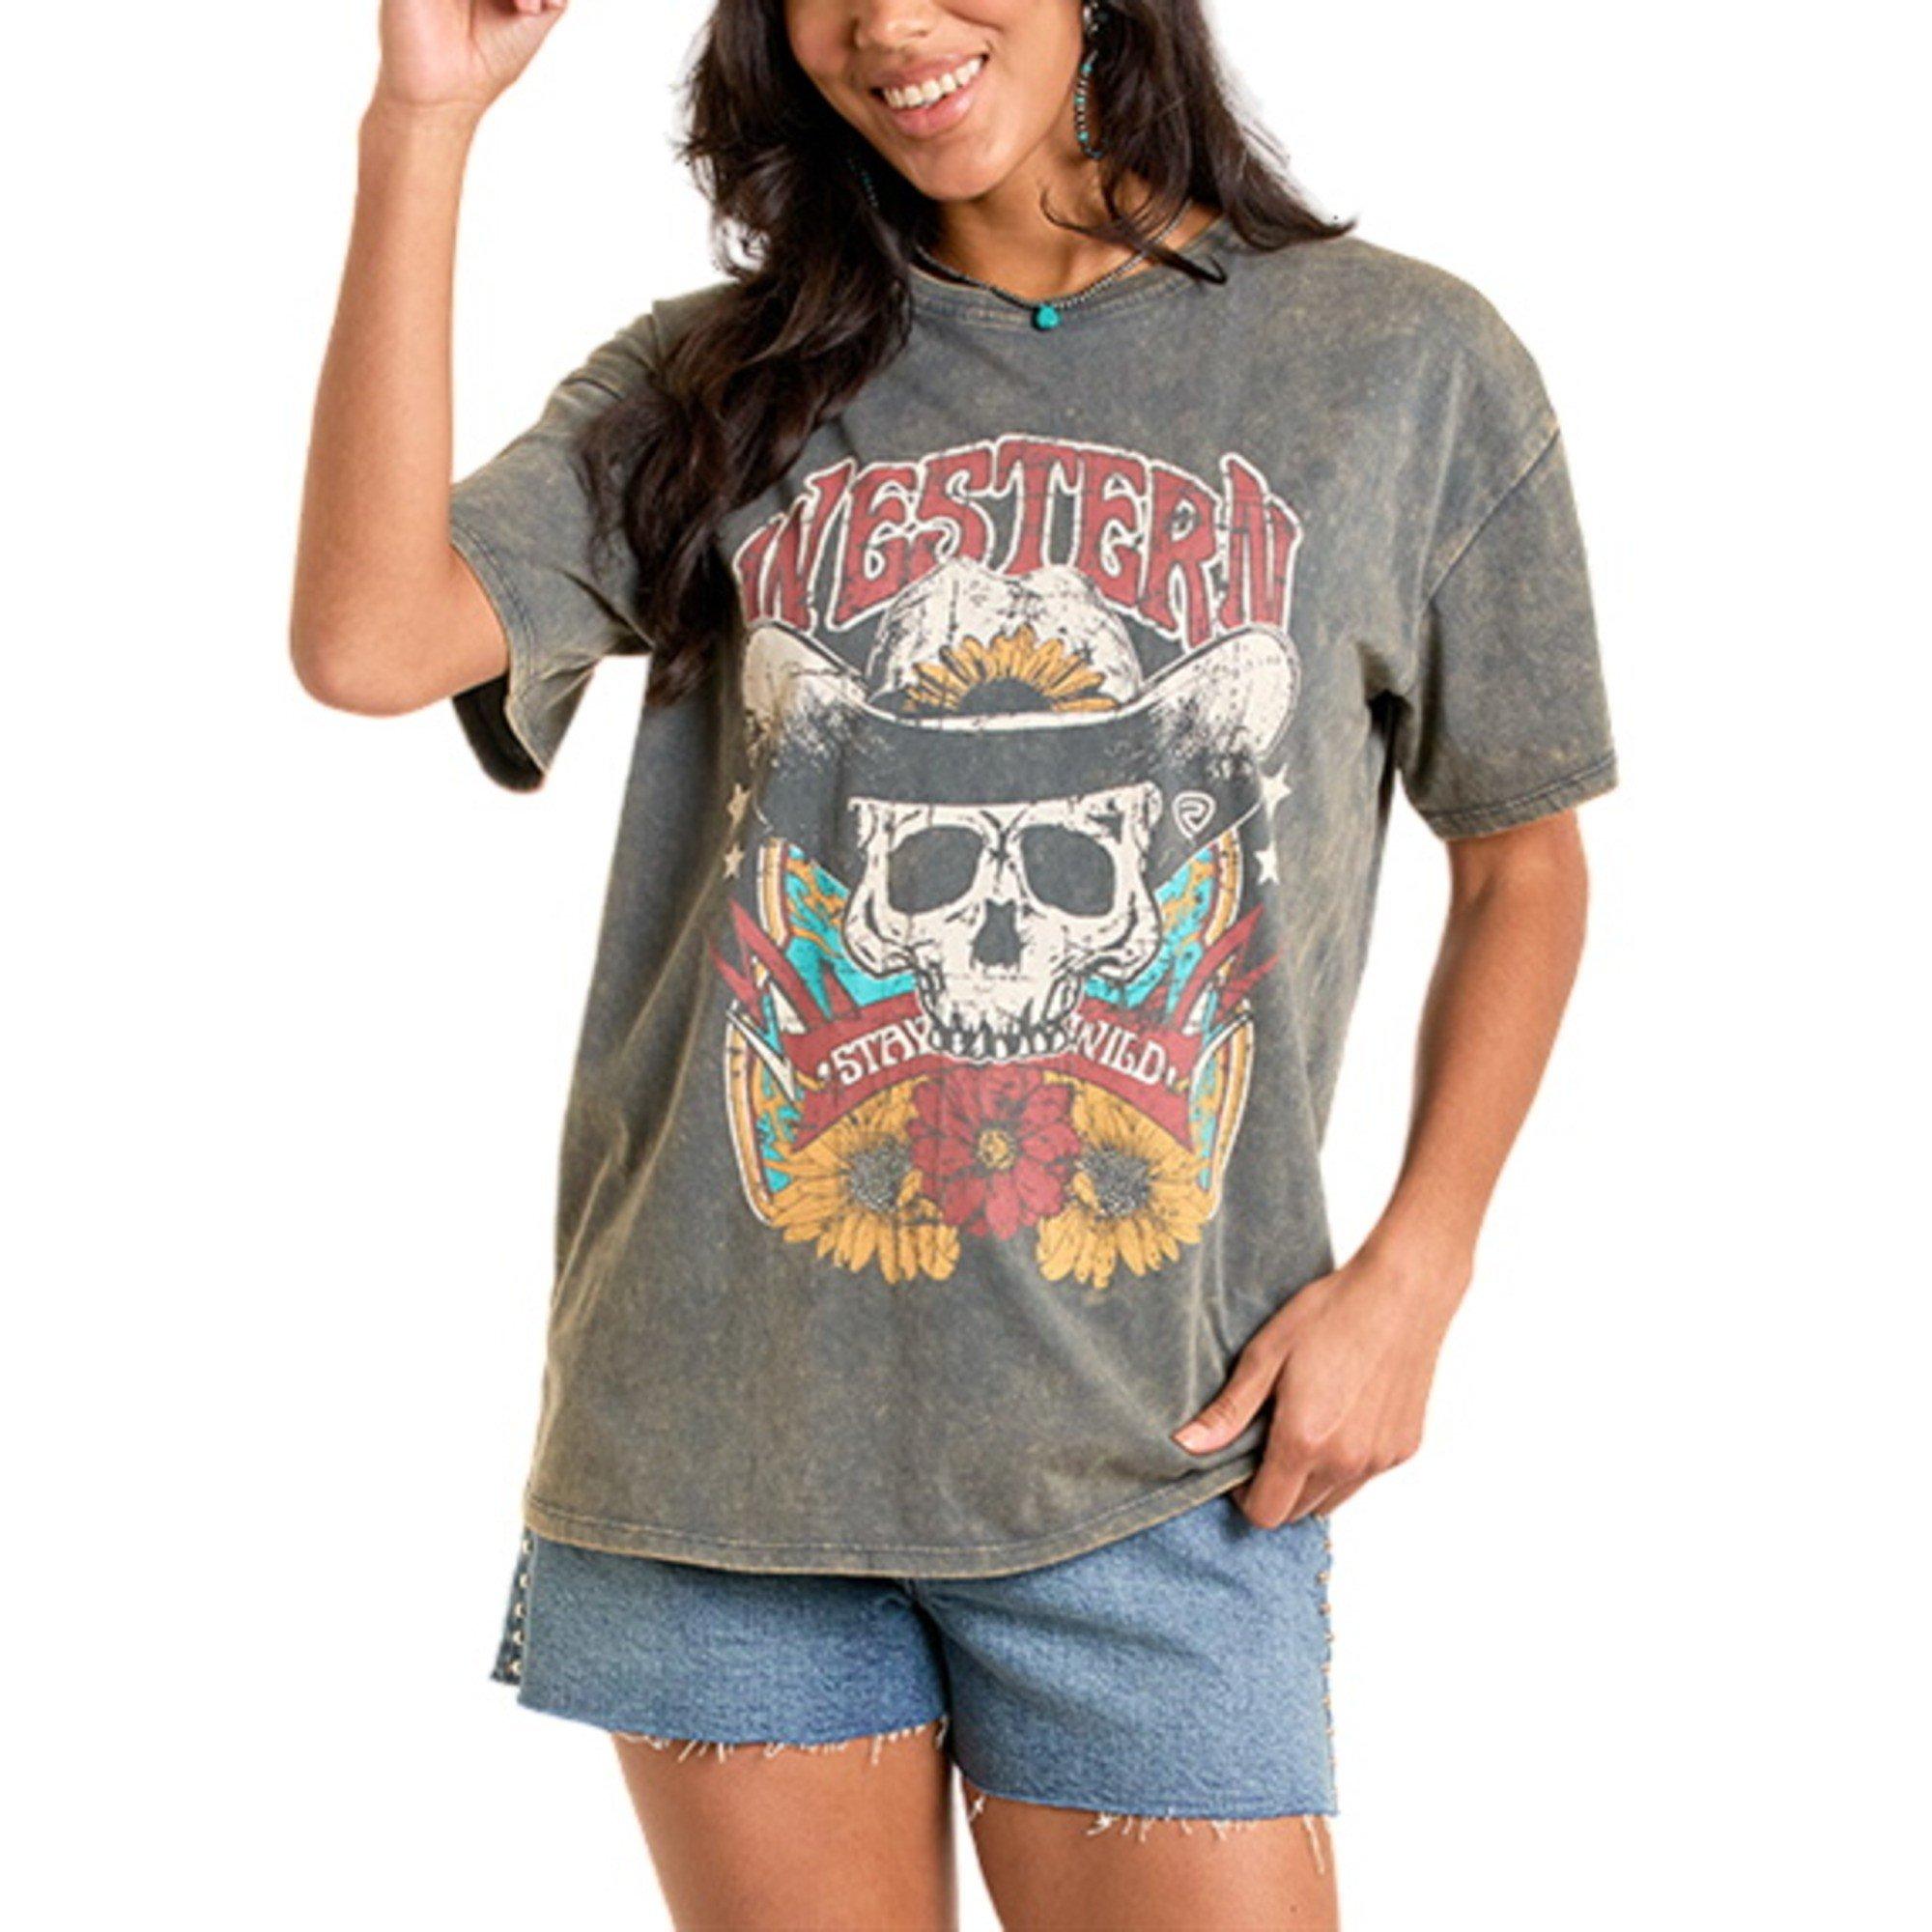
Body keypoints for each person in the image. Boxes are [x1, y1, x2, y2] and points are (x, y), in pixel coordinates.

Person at [290, 2, 1617, 1925]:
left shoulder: (1401, 362)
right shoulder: (717, 382)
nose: (889, 22)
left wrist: (1419, 1271)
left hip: (1165, 1454)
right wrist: (419, 123)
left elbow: (1522, 859)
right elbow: (366, 638)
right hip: (728, 1456)